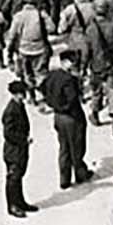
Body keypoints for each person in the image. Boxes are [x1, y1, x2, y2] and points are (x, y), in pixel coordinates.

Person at [42, 50, 92, 189]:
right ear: (65, 62)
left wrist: (52, 104)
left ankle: (64, 179)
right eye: (72, 62)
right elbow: (73, 99)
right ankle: (80, 173)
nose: (74, 65)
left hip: (58, 116)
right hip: (72, 117)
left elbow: (42, 88)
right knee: (77, 146)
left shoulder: (52, 75)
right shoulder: (69, 80)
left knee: (63, 147)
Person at [1, 80, 36, 218]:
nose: (24, 96)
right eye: (21, 93)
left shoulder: (19, 106)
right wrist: (23, 140)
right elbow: (8, 133)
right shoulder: (11, 110)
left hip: (19, 149)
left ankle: (20, 202)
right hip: (13, 151)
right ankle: (12, 206)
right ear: (14, 94)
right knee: (13, 178)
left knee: (19, 176)